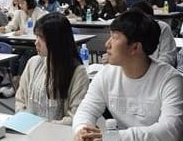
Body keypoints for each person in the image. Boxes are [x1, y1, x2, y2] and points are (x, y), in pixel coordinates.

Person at [73, 10, 183, 140]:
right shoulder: (106, 74)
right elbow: (86, 110)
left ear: (135, 48)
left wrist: (115, 137)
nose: (107, 44)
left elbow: (170, 129)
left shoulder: (170, 80)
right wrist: (82, 131)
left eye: (114, 37)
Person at [15, 13, 89, 124]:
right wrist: (24, 120)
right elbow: (20, 100)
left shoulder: (77, 72)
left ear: (56, 41)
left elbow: (76, 115)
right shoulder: (33, 63)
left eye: (41, 38)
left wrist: (45, 127)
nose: (36, 43)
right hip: (29, 131)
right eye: (36, 36)